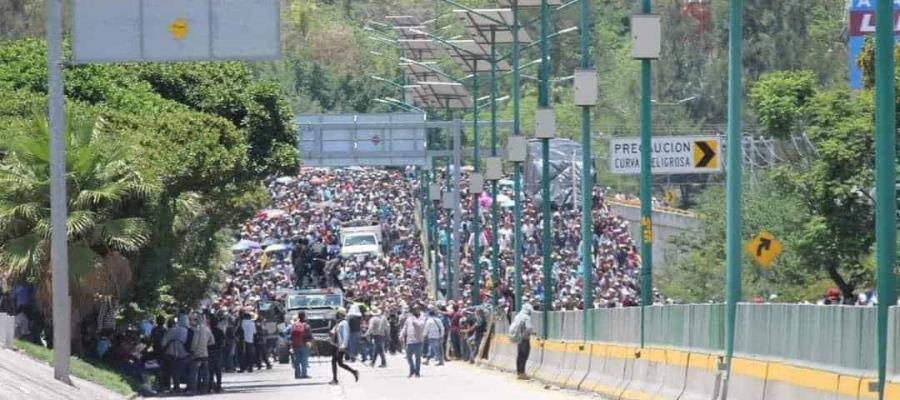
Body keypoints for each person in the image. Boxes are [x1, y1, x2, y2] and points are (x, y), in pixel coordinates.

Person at [160, 316, 191, 392]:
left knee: (173, 370)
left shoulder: (169, 331)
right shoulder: (187, 331)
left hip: (171, 353)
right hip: (185, 353)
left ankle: (175, 386)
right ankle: (189, 386)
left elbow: (163, 343)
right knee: (185, 370)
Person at [329, 310, 359, 385]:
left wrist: (343, 346)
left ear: (340, 314)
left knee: (339, 363)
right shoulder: (338, 323)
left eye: (337, 314)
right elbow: (333, 332)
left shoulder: (344, 323)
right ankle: (335, 379)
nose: (336, 315)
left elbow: (346, 335)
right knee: (335, 362)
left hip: (340, 346)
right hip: (335, 345)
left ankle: (353, 372)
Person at [188, 314, 215, 394]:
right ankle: (205, 389)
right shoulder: (207, 329)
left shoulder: (197, 330)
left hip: (197, 354)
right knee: (205, 373)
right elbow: (212, 341)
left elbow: (194, 342)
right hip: (205, 353)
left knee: (194, 373)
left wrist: (192, 350)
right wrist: (206, 344)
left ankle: (193, 389)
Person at [509, 303, 534, 380]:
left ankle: (519, 372)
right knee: (524, 355)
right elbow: (529, 328)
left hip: (518, 338)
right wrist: (526, 334)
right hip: (524, 339)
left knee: (519, 355)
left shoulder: (518, 316)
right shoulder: (526, 317)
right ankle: (522, 373)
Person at [400, 306, 425, 378]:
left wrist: (414, 319)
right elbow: (405, 327)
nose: (415, 311)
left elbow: (420, 326)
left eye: (417, 310)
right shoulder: (408, 319)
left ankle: (417, 372)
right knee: (409, 357)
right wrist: (401, 334)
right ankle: (412, 370)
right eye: (414, 310)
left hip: (418, 341)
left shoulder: (422, 319)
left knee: (418, 358)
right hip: (409, 341)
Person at [286, 312, 312, 379]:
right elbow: (309, 336)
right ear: (304, 317)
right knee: (304, 359)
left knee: (296, 359)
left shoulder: (294, 325)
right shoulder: (306, 325)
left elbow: (290, 335)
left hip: (295, 344)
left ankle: (297, 374)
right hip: (304, 344)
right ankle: (304, 374)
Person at [208, 315, 225, 393]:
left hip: (209, 351)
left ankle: (210, 386)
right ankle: (218, 385)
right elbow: (223, 342)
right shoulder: (220, 331)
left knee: (210, 370)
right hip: (218, 352)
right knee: (218, 370)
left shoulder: (208, 331)